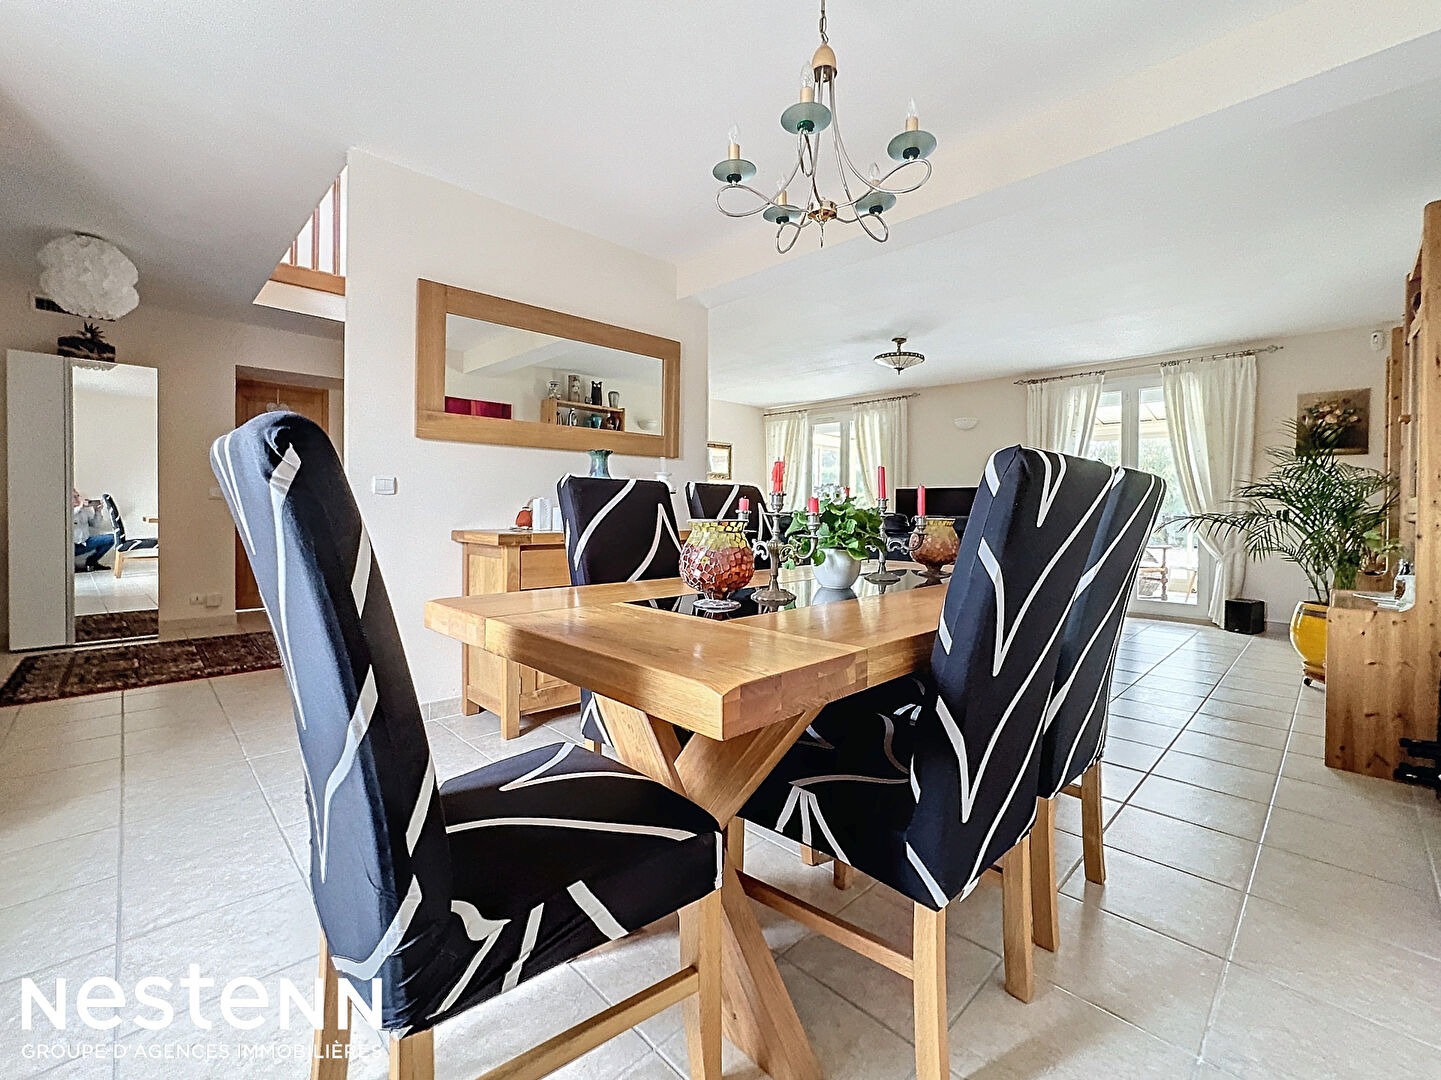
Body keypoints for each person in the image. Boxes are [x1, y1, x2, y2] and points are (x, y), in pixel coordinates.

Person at [73, 488, 114, 572]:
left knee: (112, 538)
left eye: (78, 496)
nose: (78, 499)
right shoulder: (64, 512)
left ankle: (91, 562)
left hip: (85, 543)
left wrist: (97, 512)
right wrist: (80, 507)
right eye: (74, 497)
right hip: (71, 546)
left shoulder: (84, 511)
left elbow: (95, 525)